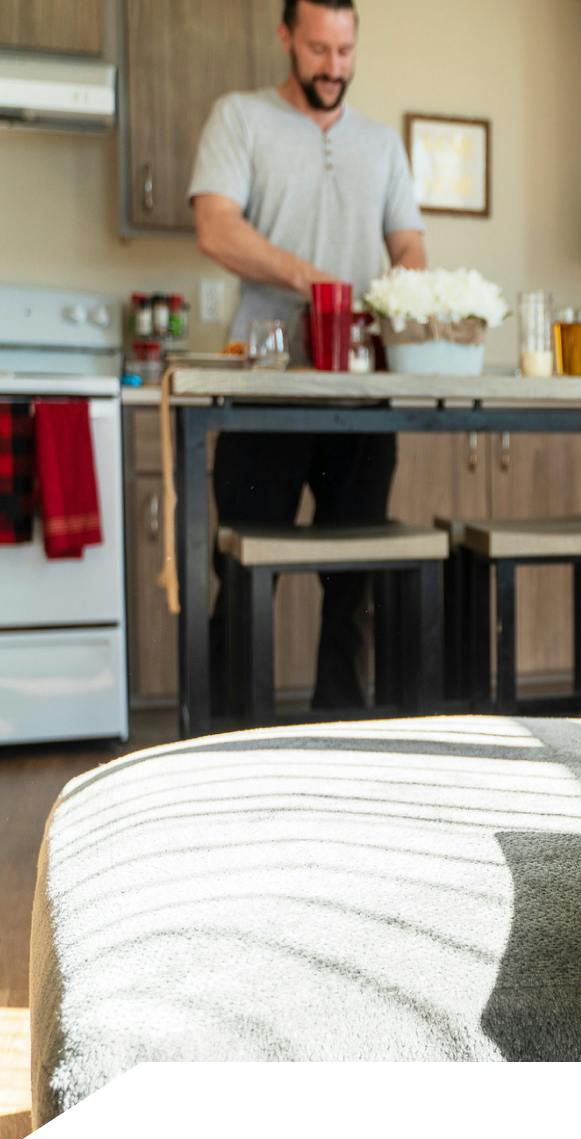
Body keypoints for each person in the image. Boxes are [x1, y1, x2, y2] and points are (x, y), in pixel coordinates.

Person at [189, 0, 426, 711]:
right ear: (286, 38)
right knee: (244, 570)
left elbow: (408, 241)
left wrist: (408, 282)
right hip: (265, 389)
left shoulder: (382, 144)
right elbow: (215, 227)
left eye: (346, 52)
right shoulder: (240, 118)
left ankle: (341, 733)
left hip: (359, 393)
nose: (335, 68)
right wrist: (312, 279)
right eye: (320, 50)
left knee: (352, 579)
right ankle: (229, 734)